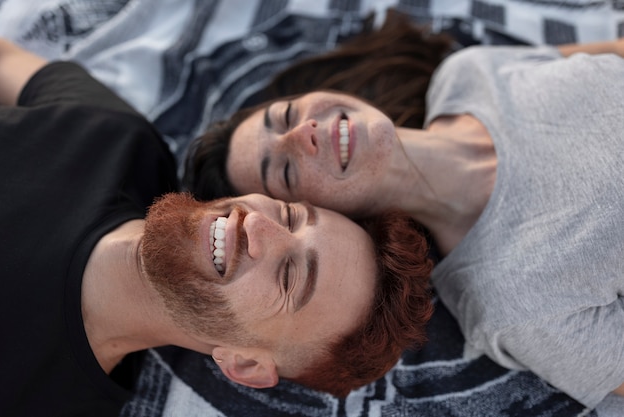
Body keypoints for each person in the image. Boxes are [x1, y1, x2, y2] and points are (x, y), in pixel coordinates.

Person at [184, 16, 624, 409]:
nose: (304, 132)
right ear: (315, 218)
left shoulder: (469, 72)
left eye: (285, 116)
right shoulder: (513, 301)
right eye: (284, 169)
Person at [0, 38, 434, 417]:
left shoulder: (38, 400)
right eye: (289, 215)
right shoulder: (122, 142)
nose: (259, 225)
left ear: (244, 365)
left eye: (288, 277)